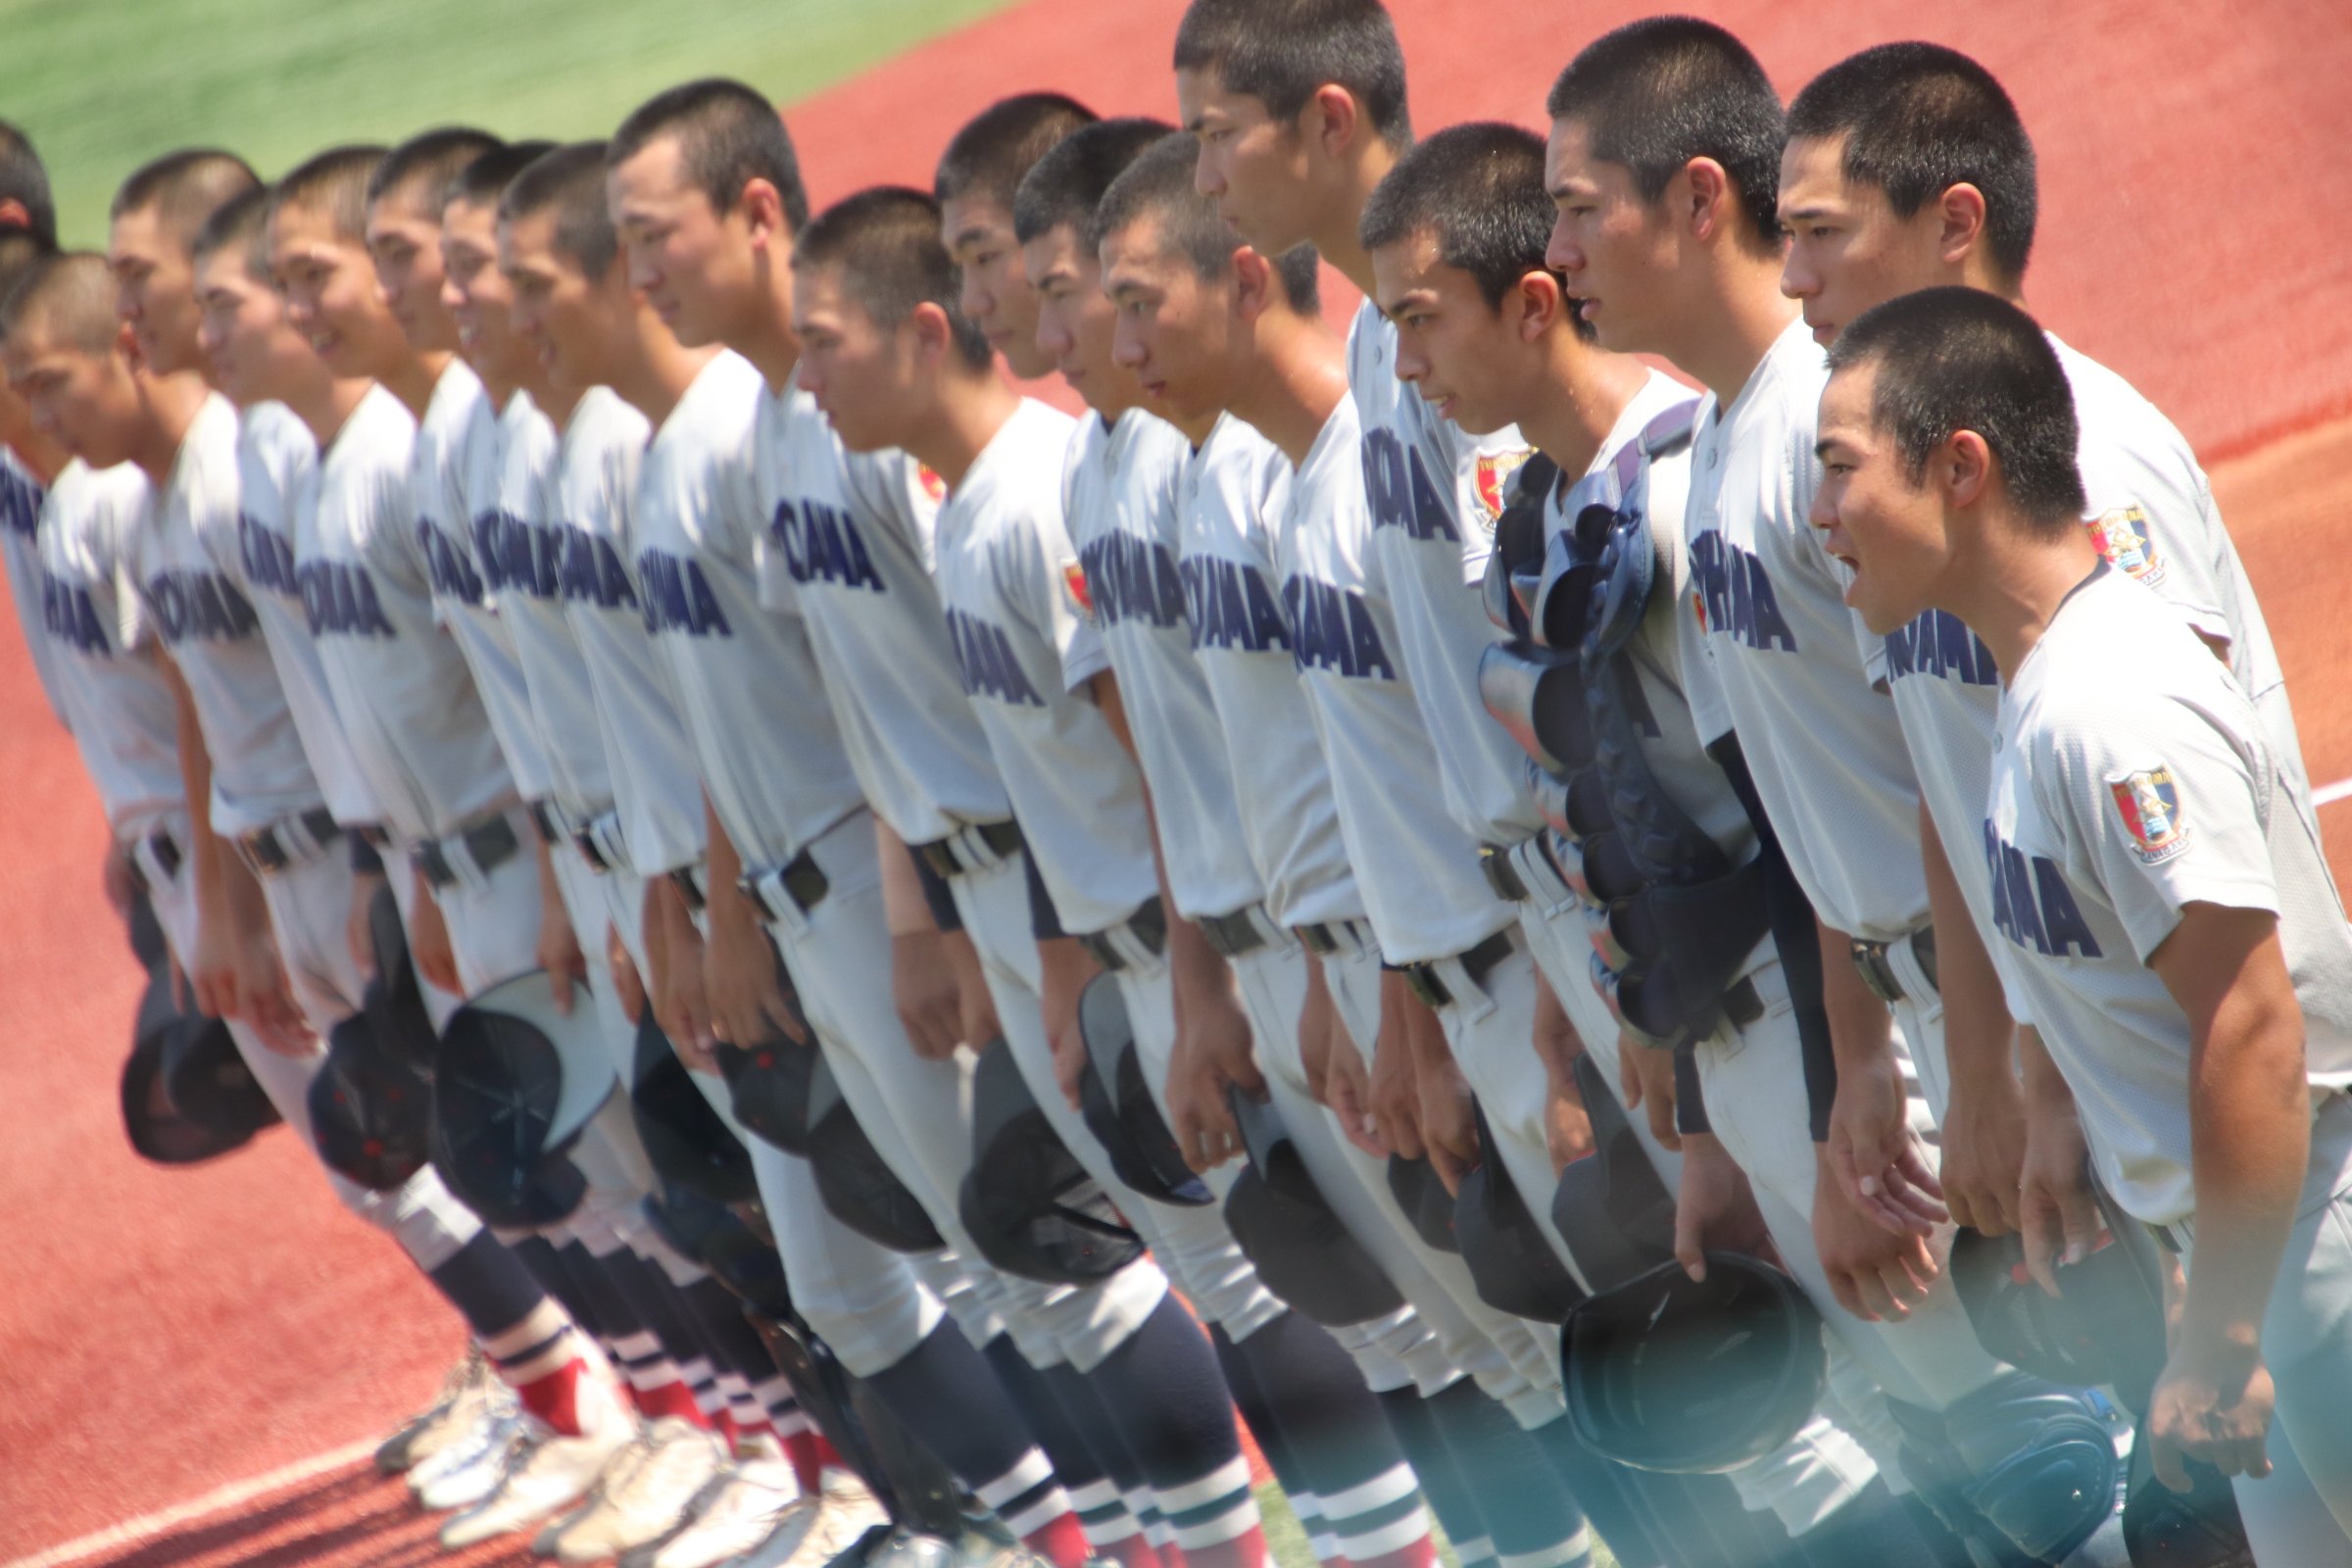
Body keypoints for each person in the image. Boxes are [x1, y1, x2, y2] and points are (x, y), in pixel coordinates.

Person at [1544, 19, 2125, 1563]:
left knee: (2080, 1453)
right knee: (2008, 1464)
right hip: (1897, 1011)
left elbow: (1965, 757)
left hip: (1992, 999)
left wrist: (1987, 1064)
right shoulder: (1733, 442)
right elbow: (1801, 802)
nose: (1560, 250)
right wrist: (1852, 1063)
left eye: (1580, 206)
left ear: (1694, 201)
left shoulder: (1843, 426)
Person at [1815, 281, 2352, 1564]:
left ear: (1961, 469)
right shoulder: (2039, 689)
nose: (1818, 513)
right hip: (2256, 1246)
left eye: (1839, 469)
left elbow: (2253, 1026)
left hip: (2314, 1243)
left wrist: (2224, 1330)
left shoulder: (2108, 703)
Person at [1775, 40, 2305, 1265]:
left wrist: (2048, 1082)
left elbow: (2181, 798)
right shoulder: (1900, 491)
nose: (1794, 278)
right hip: (2111, 1080)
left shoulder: (2085, 461)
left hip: (2220, 1100)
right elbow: (1945, 782)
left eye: (1822, 233)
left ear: (1955, 223)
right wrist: (1995, 1065)